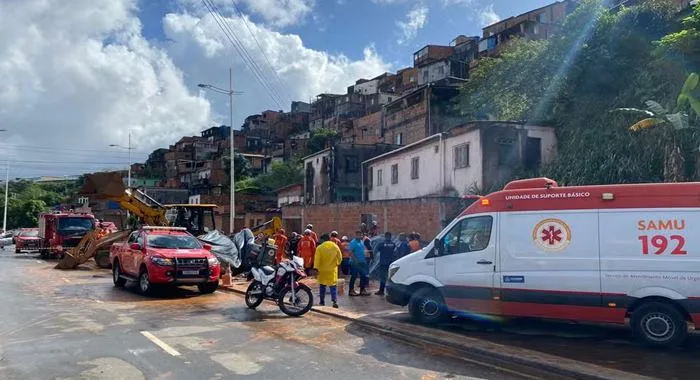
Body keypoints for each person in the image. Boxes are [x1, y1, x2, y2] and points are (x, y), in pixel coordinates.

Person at [313, 233, 342, 308]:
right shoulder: (335, 246)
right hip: (332, 270)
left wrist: (316, 269)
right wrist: (337, 264)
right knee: (333, 286)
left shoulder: (319, 247)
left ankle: (322, 301)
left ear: (323, 239)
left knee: (322, 286)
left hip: (322, 270)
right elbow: (340, 258)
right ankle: (334, 301)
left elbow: (317, 260)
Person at [348, 231, 370, 296]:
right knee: (354, 276)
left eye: (360, 235)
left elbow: (363, 251)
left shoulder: (361, 242)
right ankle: (351, 291)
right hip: (354, 263)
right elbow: (351, 252)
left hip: (362, 262)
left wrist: (366, 257)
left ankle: (362, 290)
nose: (359, 236)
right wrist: (355, 260)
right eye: (358, 235)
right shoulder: (353, 242)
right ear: (355, 235)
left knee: (363, 276)